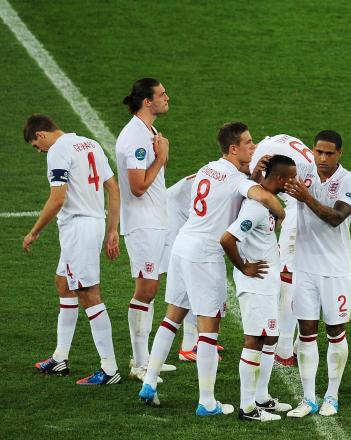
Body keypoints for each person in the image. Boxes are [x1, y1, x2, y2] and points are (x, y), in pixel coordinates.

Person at [138, 122, 285, 417]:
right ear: (234, 148)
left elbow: (238, 185)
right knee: (209, 329)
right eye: (248, 142)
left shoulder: (209, 169)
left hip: (182, 246)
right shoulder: (237, 180)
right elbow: (265, 197)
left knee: (172, 317)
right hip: (205, 255)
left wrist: (252, 174)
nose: (253, 147)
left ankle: (150, 382)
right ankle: (207, 402)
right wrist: (281, 212)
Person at [24, 114, 121, 385]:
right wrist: (112, 229)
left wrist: (34, 231)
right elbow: (113, 188)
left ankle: (110, 369)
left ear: (41, 135)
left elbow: (58, 198)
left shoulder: (57, 151)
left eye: (35, 145)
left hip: (79, 229)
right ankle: (60, 358)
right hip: (90, 224)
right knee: (63, 284)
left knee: (89, 294)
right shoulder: (89, 144)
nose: (38, 150)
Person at [284, 130, 351, 418]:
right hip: (304, 268)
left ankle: (332, 395)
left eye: (329, 153)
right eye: (318, 152)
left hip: (334, 271)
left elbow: (335, 218)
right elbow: (268, 181)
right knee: (305, 333)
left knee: (335, 332)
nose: (323, 158)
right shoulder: (302, 172)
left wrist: (305, 198)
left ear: (339, 154)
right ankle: (307, 398)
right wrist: (260, 165)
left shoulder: (350, 182)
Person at [221, 154, 297, 422]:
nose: (294, 182)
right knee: (255, 339)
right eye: (292, 177)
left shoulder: (269, 200)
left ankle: (262, 397)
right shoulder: (256, 208)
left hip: (267, 282)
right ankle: (247, 407)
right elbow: (227, 239)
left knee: (270, 337)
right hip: (255, 284)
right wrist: (244, 267)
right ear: (280, 179)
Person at [115, 78, 174, 381]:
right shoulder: (135, 137)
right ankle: (139, 363)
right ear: (147, 102)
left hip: (156, 220)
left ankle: (147, 357)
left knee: (151, 289)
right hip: (143, 223)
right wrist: (162, 157)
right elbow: (137, 187)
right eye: (162, 95)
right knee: (146, 290)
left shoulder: (148, 131)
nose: (167, 98)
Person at [249, 134, 315, 365]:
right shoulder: (280, 141)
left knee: (288, 280)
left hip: (301, 211)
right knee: (309, 277)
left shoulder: (261, 156)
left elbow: (257, 190)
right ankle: (299, 344)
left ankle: (284, 349)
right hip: (319, 202)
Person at [161, 175, 224, 362]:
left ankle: (201, 339)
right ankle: (188, 346)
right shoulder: (235, 177)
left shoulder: (224, 170)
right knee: (192, 282)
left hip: (183, 212)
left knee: (195, 280)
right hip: (175, 216)